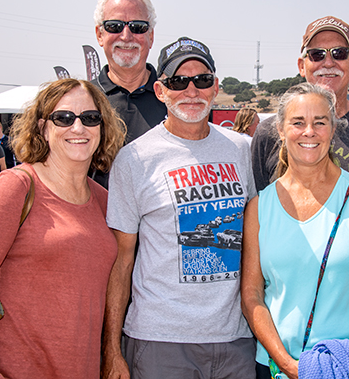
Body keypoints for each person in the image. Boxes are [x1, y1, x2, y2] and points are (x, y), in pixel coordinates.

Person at [102, 37, 257, 379]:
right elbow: (121, 260)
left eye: (202, 80)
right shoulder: (134, 159)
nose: (191, 90)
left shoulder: (244, 150)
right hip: (160, 341)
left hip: (236, 339)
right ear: (160, 91)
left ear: (215, 87)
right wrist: (111, 350)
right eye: (178, 81)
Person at [241, 83, 349, 379]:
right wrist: (288, 365)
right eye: (297, 122)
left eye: (320, 122)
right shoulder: (259, 208)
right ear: (281, 131)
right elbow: (252, 296)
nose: (309, 132)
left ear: (333, 129)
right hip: (278, 369)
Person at [0, 79, 126, 378]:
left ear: (102, 127)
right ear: (43, 127)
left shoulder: (105, 202)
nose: (78, 128)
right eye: (64, 118)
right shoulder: (16, 187)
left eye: (90, 118)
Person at [251, 16, 349, 191]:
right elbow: (259, 205)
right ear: (301, 66)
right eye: (317, 54)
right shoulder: (268, 133)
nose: (328, 62)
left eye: (339, 53)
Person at [92, 0, 167, 187]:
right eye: (114, 26)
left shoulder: (175, 99)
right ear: (100, 34)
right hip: (99, 218)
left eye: (138, 27)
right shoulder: (83, 101)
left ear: (150, 37)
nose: (126, 36)